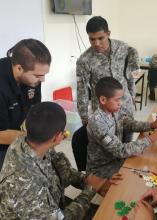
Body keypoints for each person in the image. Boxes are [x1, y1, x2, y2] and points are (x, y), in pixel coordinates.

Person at [0, 102, 114, 220]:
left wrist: (91, 180)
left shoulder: (35, 141)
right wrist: (90, 190)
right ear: (57, 137)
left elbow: (64, 173)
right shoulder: (23, 183)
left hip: (53, 207)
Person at [86, 77, 157, 179]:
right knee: (136, 181)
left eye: (121, 99)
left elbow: (129, 123)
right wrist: (154, 137)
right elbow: (121, 150)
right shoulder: (97, 123)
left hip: (116, 160)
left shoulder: (114, 110)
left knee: (148, 167)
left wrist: (151, 125)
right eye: (117, 100)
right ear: (103, 100)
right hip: (101, 169)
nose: (120, 103)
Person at [76, 16, 139, 142]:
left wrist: (132, 96)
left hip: (124, 106)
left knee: (127, 143)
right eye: (92, 39)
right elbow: (82, 90)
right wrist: (84, 117)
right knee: (108, 151)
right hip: (103, 114)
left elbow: (131, 74)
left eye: (100, 38)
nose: (96, 43)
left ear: (108, 34)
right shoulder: (85, 60)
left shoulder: (123, 48)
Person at [0, 39, 51, 170]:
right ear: (19, 68)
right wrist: (36, 139)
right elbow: (1, 135)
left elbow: (35, 109)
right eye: (38, 76)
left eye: (44, 75)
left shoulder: (33, 79)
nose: (42, 80)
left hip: (16, 134)